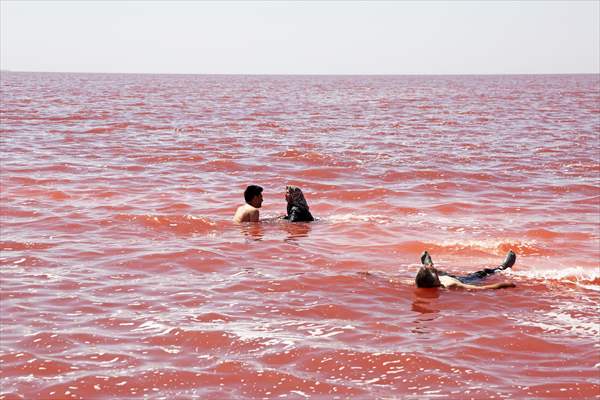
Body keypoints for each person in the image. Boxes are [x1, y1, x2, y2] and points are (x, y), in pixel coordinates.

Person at [415, 250, 516, 290]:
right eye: (437, 278)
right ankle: (502, 268)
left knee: (440, 272)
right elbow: (482, 289)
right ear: (435, 283)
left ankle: (428, 264)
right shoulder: (451, 285)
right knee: (483, 273)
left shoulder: (420, 281)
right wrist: (504, 285)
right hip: (462, 281)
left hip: (449, 277)